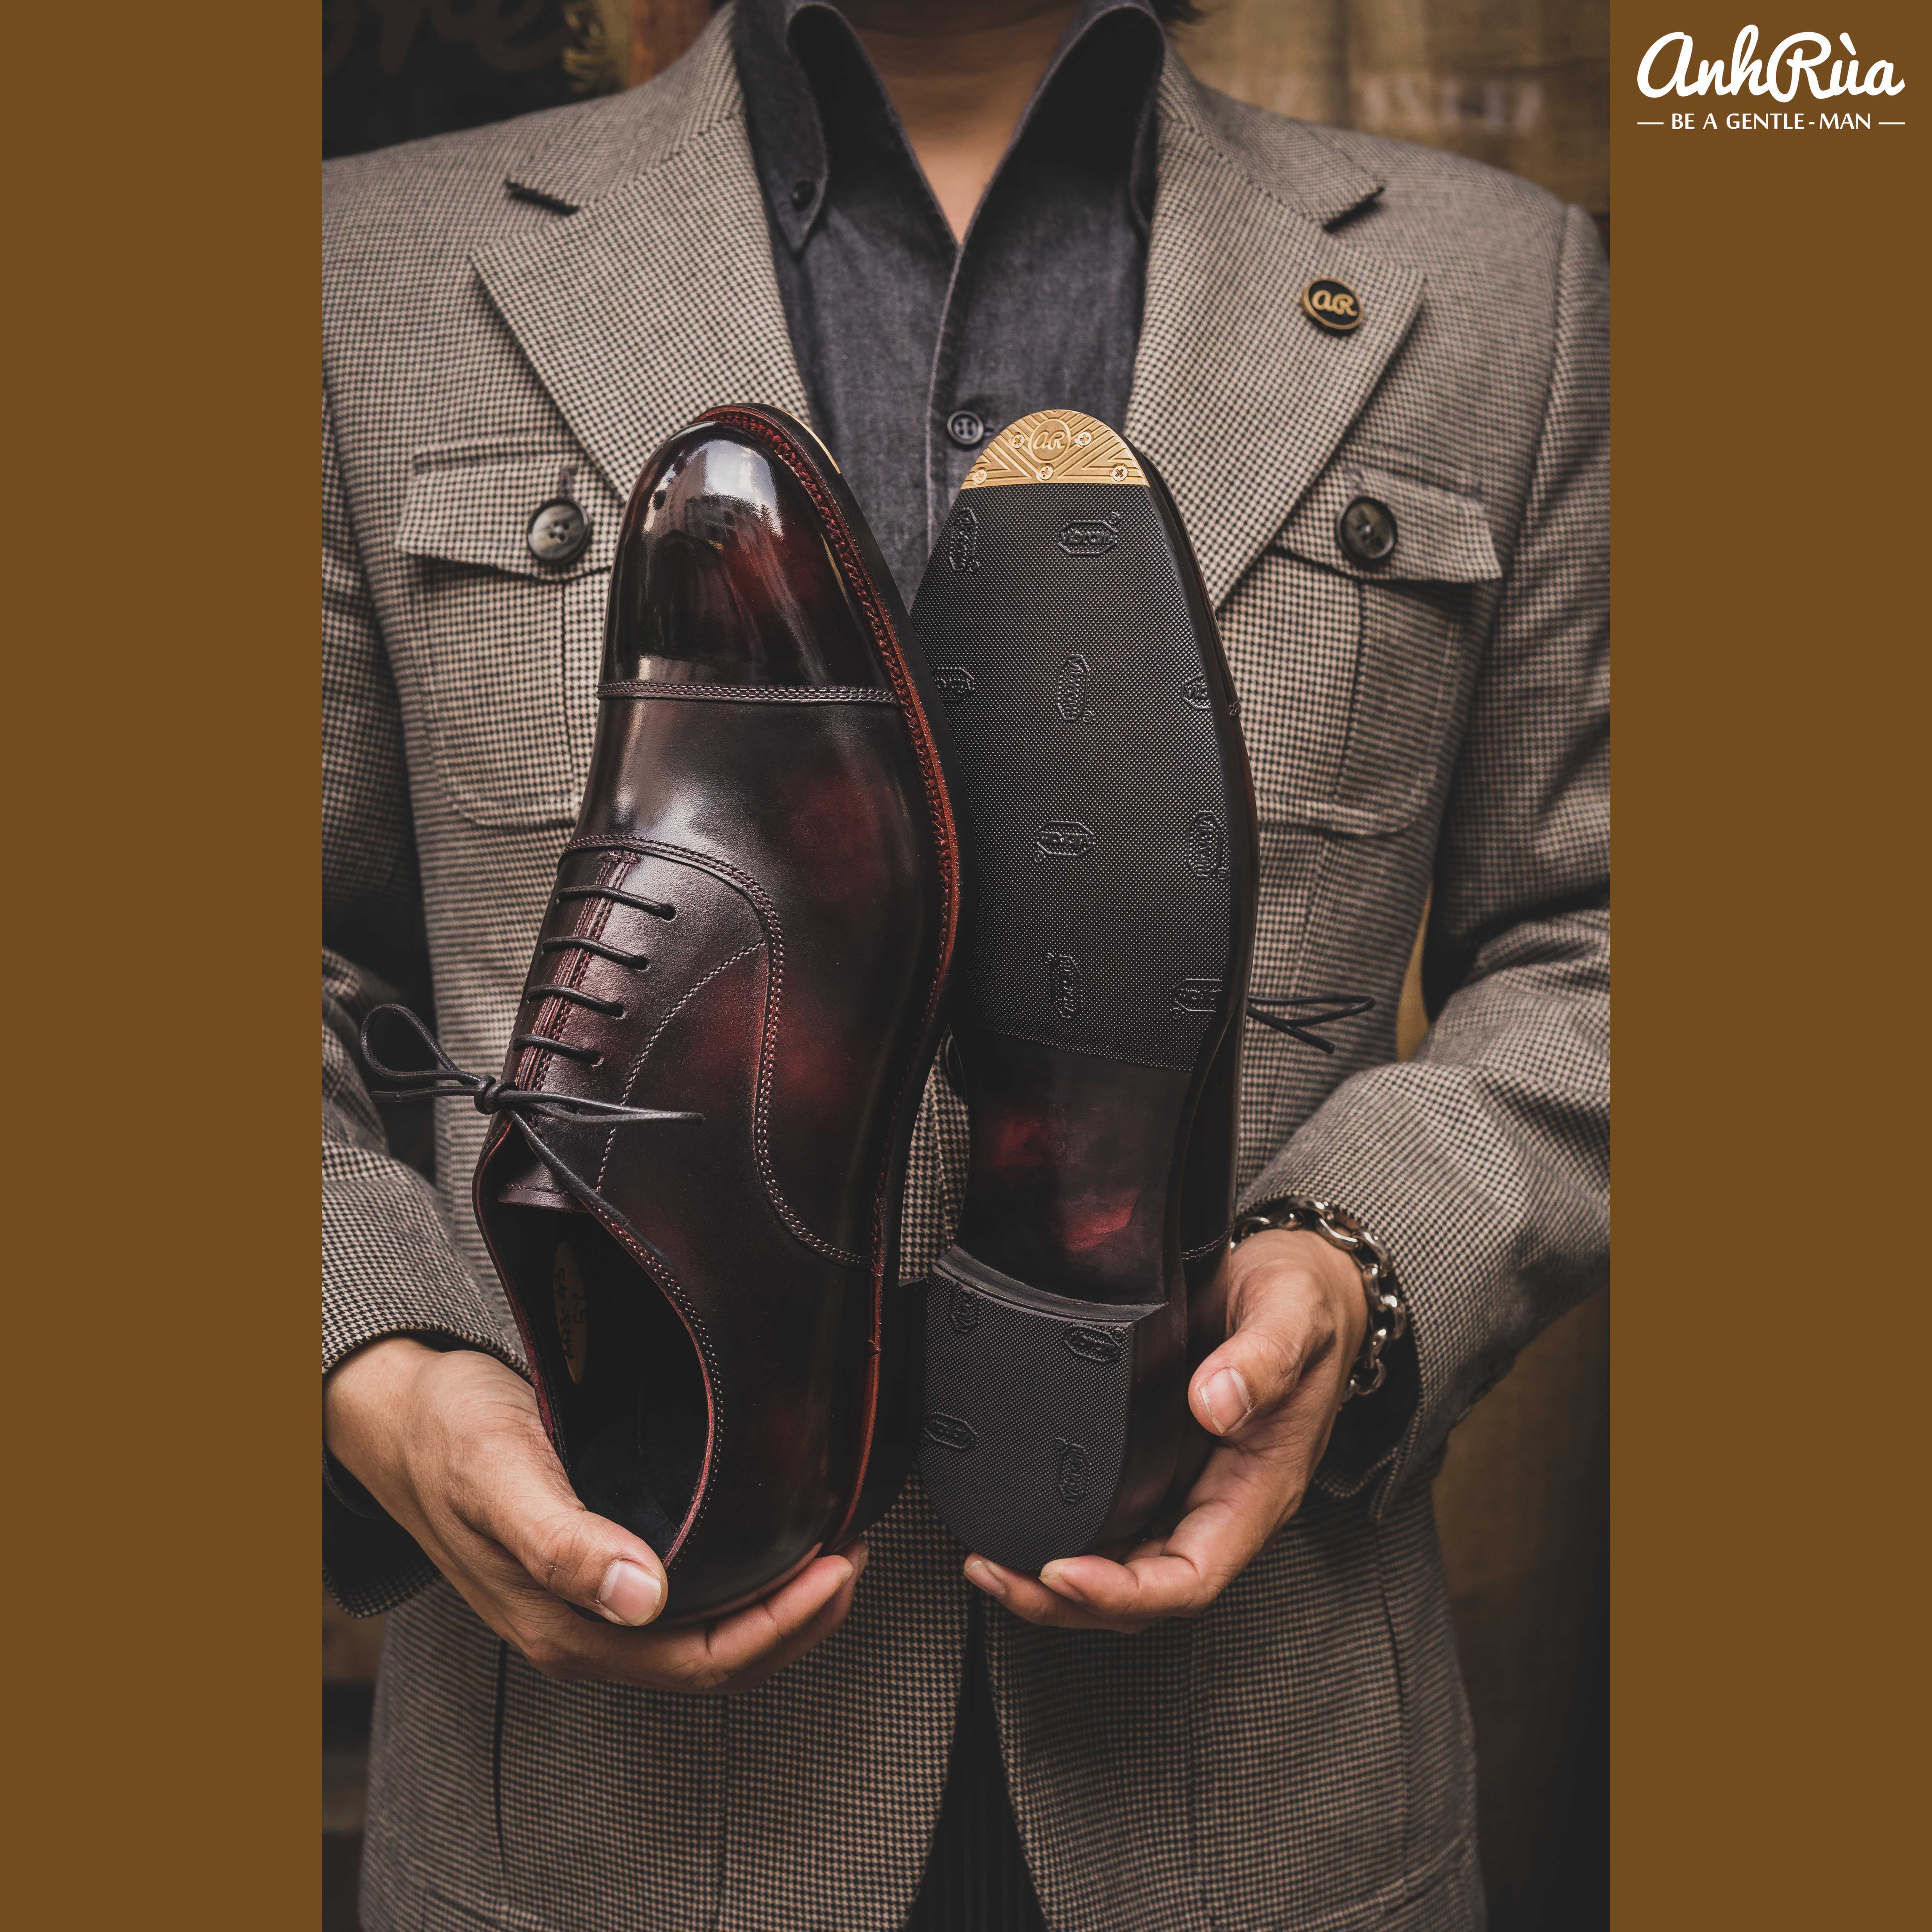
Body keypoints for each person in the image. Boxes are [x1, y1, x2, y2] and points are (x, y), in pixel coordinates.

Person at [322, 3, 1609, 1927]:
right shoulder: (360, 273)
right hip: (589, 1810)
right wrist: (380, 1358)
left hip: (1258, 1778)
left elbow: (1608, 935)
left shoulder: (1505, 289)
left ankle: (1111, 1281)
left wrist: (1361, 1265)